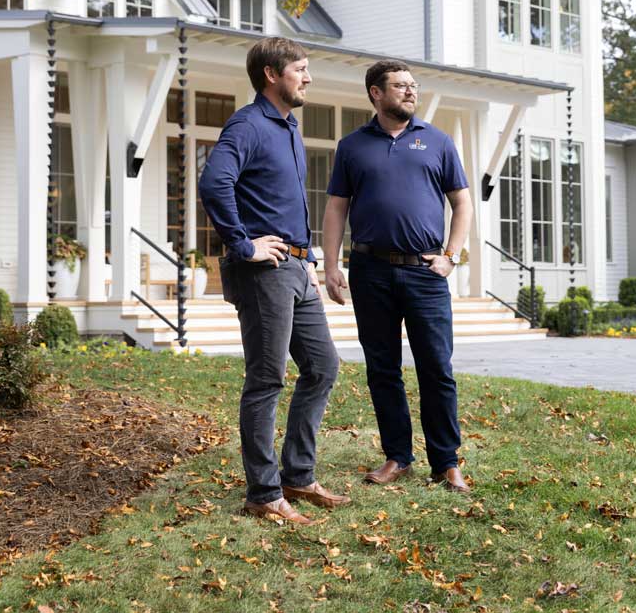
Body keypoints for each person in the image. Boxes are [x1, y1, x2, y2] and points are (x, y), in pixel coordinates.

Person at [198, 37, 348, 524]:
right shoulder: (247, 124)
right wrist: (244, 245)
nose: (308, 77)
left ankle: (297, 476)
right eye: (300, 69)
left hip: (296, 269)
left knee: (323, 366)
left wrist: (308, 258)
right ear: (271, 74)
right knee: (266, 379)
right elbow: (213, 182)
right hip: (264, 272)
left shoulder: (287, 125)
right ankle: (263, 493)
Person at [323, 59, 474, 492]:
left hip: (425, 273)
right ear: (376, 92)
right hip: (370, 270)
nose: (411, 92)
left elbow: (462, 204)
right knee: (382, 368)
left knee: (436, 369)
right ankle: (397, 457)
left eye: (413, 86)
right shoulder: (352, 146)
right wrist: (332, 267)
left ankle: (446, 462)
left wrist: (451, 257)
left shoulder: (438, 142)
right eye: (401, 86)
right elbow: (337, 208)